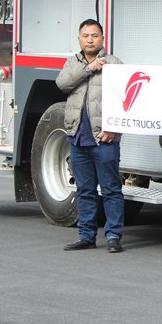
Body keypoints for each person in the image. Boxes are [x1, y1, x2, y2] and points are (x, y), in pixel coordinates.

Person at [56, 19, 126, 253]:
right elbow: (62, 84)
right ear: (79, 39)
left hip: (103, 139)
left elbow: (126, 100)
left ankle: (113, 236)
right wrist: (90, 68)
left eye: (94, 35)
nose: (90, 40)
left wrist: (114, 128)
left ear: (102, 39)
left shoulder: (114, 64)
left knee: (110, 189)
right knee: (84, 190)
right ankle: (86, 236)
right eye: (85, 36)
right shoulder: (72, 63)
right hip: (78, 138)